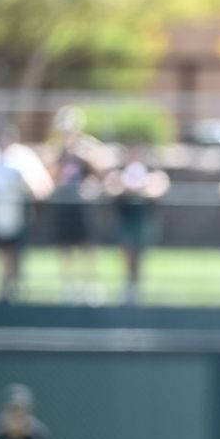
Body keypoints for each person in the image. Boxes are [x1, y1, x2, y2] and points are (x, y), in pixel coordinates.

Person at [0, 125, 54, 301]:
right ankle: (0, 288)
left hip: (19, 213)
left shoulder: (23, 156)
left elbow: (41, 185)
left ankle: (13, 287)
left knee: (15, 251)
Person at [48, 106, 104, 304]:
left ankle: (90, 285)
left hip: (82, 202)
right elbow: (52, 176)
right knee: (66, 245)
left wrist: (82, 154)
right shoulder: (57, 149)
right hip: (65, 200)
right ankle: (68, 286)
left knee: (87, 244)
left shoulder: (87, 145)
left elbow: (100, 172)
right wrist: (62, 156)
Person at [103, 145, 170, 305]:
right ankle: (128, 287)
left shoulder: (153, 175)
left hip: (143, 220)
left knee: (139, 256)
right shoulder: (118, 174)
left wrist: (136, 188)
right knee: (126, 253)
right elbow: (111, 189)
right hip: (126, 218)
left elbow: (156, 191)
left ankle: (136, 289)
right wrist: (130, 188)